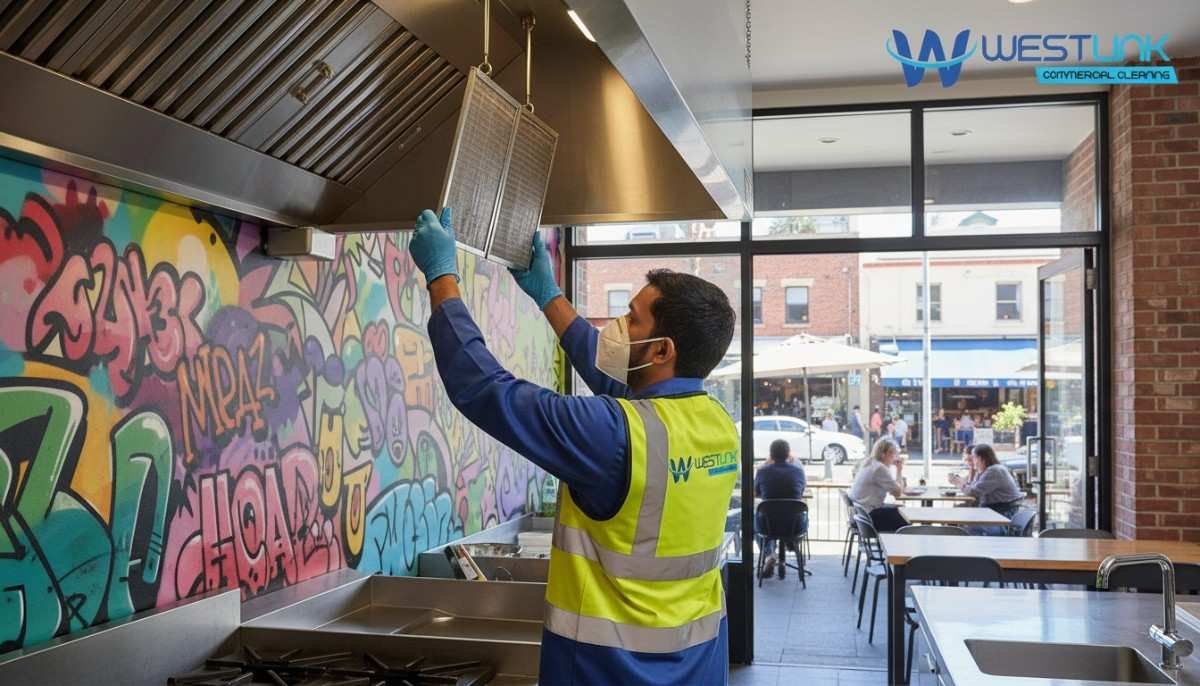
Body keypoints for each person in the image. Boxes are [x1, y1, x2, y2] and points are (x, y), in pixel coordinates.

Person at [408, 209, 738, 685]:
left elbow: (487, 390)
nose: (618, 326)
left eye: (632, 318)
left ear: (663, 350)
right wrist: (548, 296)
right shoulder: (715, 422)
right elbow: (616, 377)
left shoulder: (614, 433)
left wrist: (441, 278)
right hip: (696, 667)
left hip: (610, 670)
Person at [754, 439, 808, 577]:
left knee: (753, 520)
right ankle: (790, 544)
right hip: (794, 526)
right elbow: (800, 493)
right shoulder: (798, 472)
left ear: (771, 454)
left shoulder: (763, 472)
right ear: (788, 454)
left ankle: (769, 554)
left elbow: (756, 493)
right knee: (799, 513)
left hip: (768, 526)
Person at [950, 444, 1024, 535]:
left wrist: (958, 483)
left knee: (966, 524)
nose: (972, 461)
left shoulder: (995, 471)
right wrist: (971, 471)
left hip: (1003, 515)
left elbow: (973, 492)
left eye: (973, 458)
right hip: (993, 511)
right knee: (958, 515)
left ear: (981, 458)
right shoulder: (984, 471)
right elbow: (972, 488)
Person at [848, 438, 908, 533]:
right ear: (883, 454)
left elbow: (896, 491)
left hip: (859, 515)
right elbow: (898, 493)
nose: (895, 457)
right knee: (906, 522)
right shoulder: (879, 468)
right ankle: (894, 547)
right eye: (893, 453)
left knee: (900, 510)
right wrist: (899, 470)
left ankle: (890, 546)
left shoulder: (870, 463)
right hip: (868, 516)